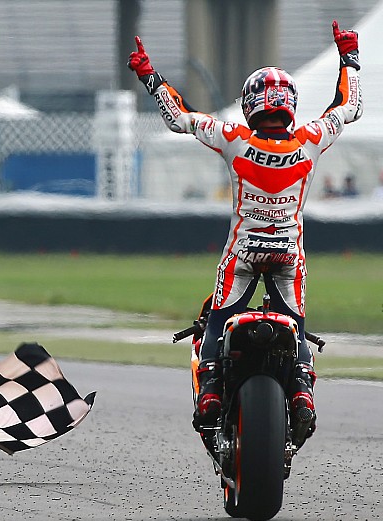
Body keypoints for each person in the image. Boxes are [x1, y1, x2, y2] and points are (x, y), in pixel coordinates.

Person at [128, 21, 362, 446]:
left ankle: (212, 394)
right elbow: (348, 107)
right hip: (289, 256)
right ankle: (303, 395)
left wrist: (150, 76)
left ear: (252, 106)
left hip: (243, 253)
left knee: (217, 320)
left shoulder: (234, 138)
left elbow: (179, 119)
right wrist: (349, 57)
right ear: (290, 105)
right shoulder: (310, 140)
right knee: (295, 325)